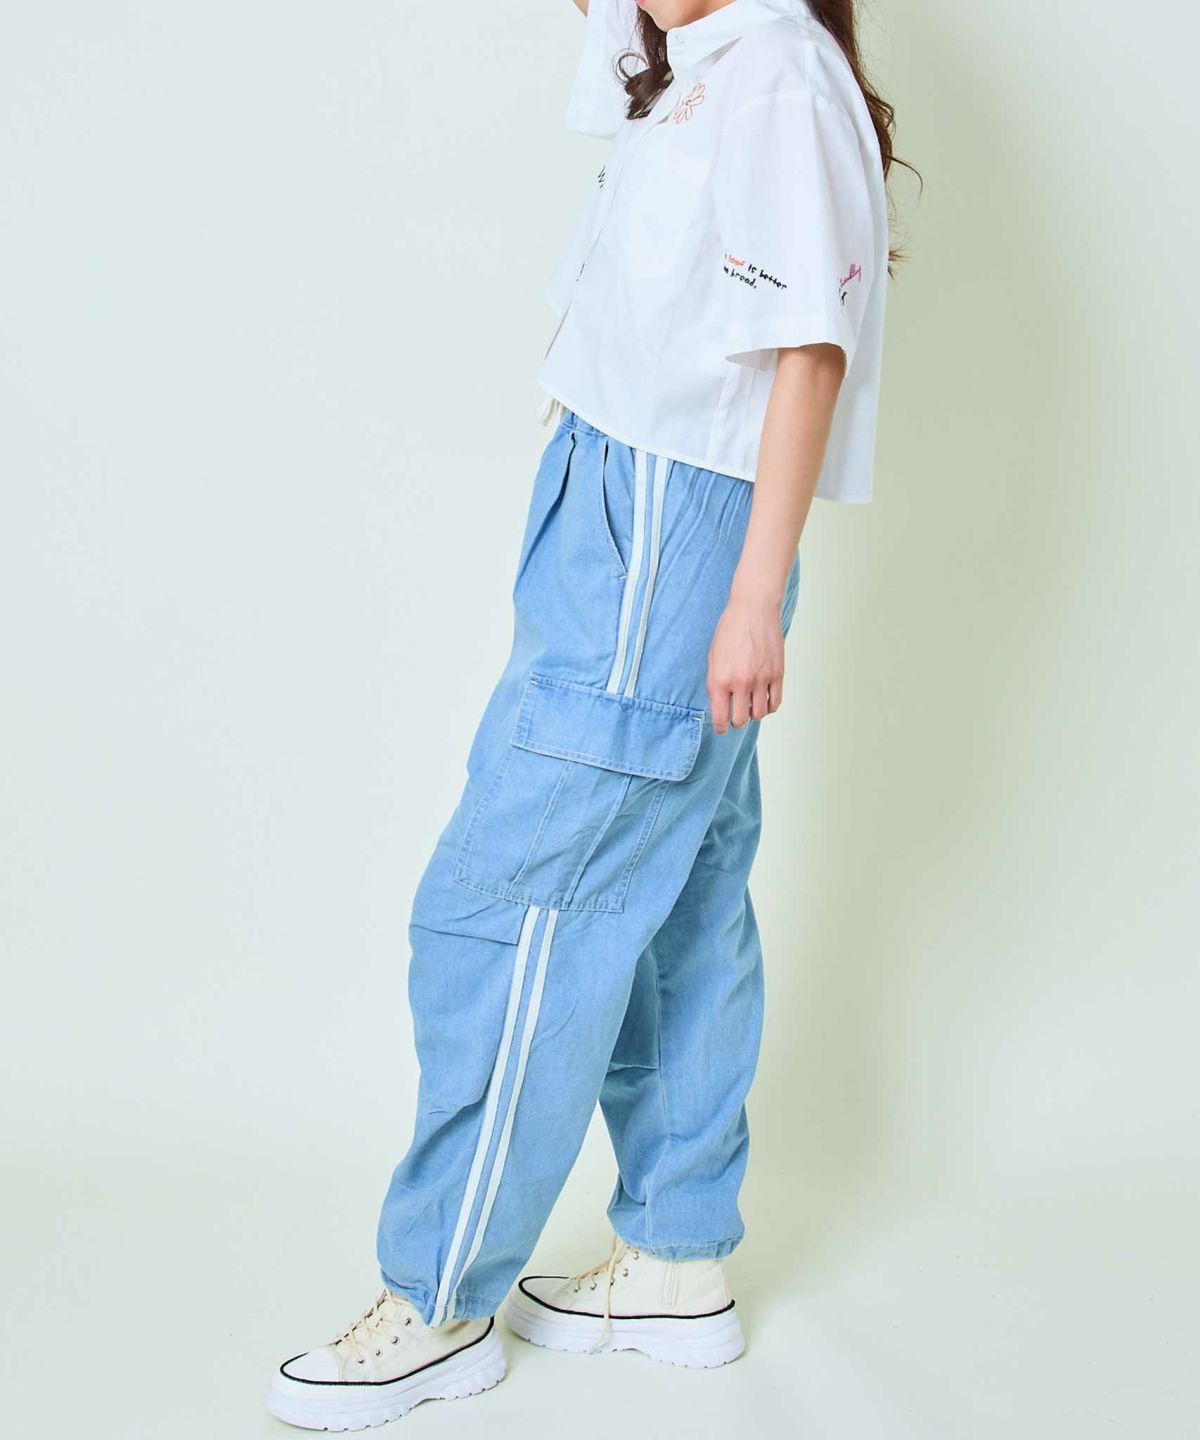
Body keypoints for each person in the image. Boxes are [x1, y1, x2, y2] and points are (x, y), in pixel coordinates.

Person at [267, 0, 901, 1428]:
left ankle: (440, 1297)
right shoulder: (697, 61)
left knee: (512, 905)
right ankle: (675, 1258)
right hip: (623, 498)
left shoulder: (774, 75)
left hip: (673, 524)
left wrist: (752, 596)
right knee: (677, 908)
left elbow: (808, 346)